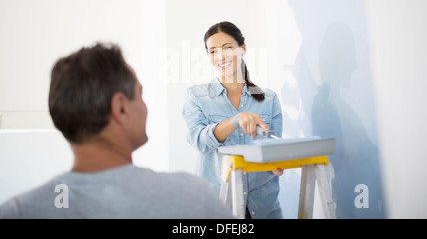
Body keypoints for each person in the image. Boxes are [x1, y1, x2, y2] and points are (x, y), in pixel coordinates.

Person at [0, 42, 234, 219]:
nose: (145, 106)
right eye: (140, 94)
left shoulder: (18, 211)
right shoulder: (190, 199)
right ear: (120, 107)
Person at [182, 21, 284, 219]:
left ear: (242, 49)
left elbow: (274, 151)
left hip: (264, 210)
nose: (220, 56)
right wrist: (235, 120)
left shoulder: (269, 99)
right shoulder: (197, 96)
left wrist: (276, 163)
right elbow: (200, 142)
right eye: (213, 51)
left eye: (227, 48)